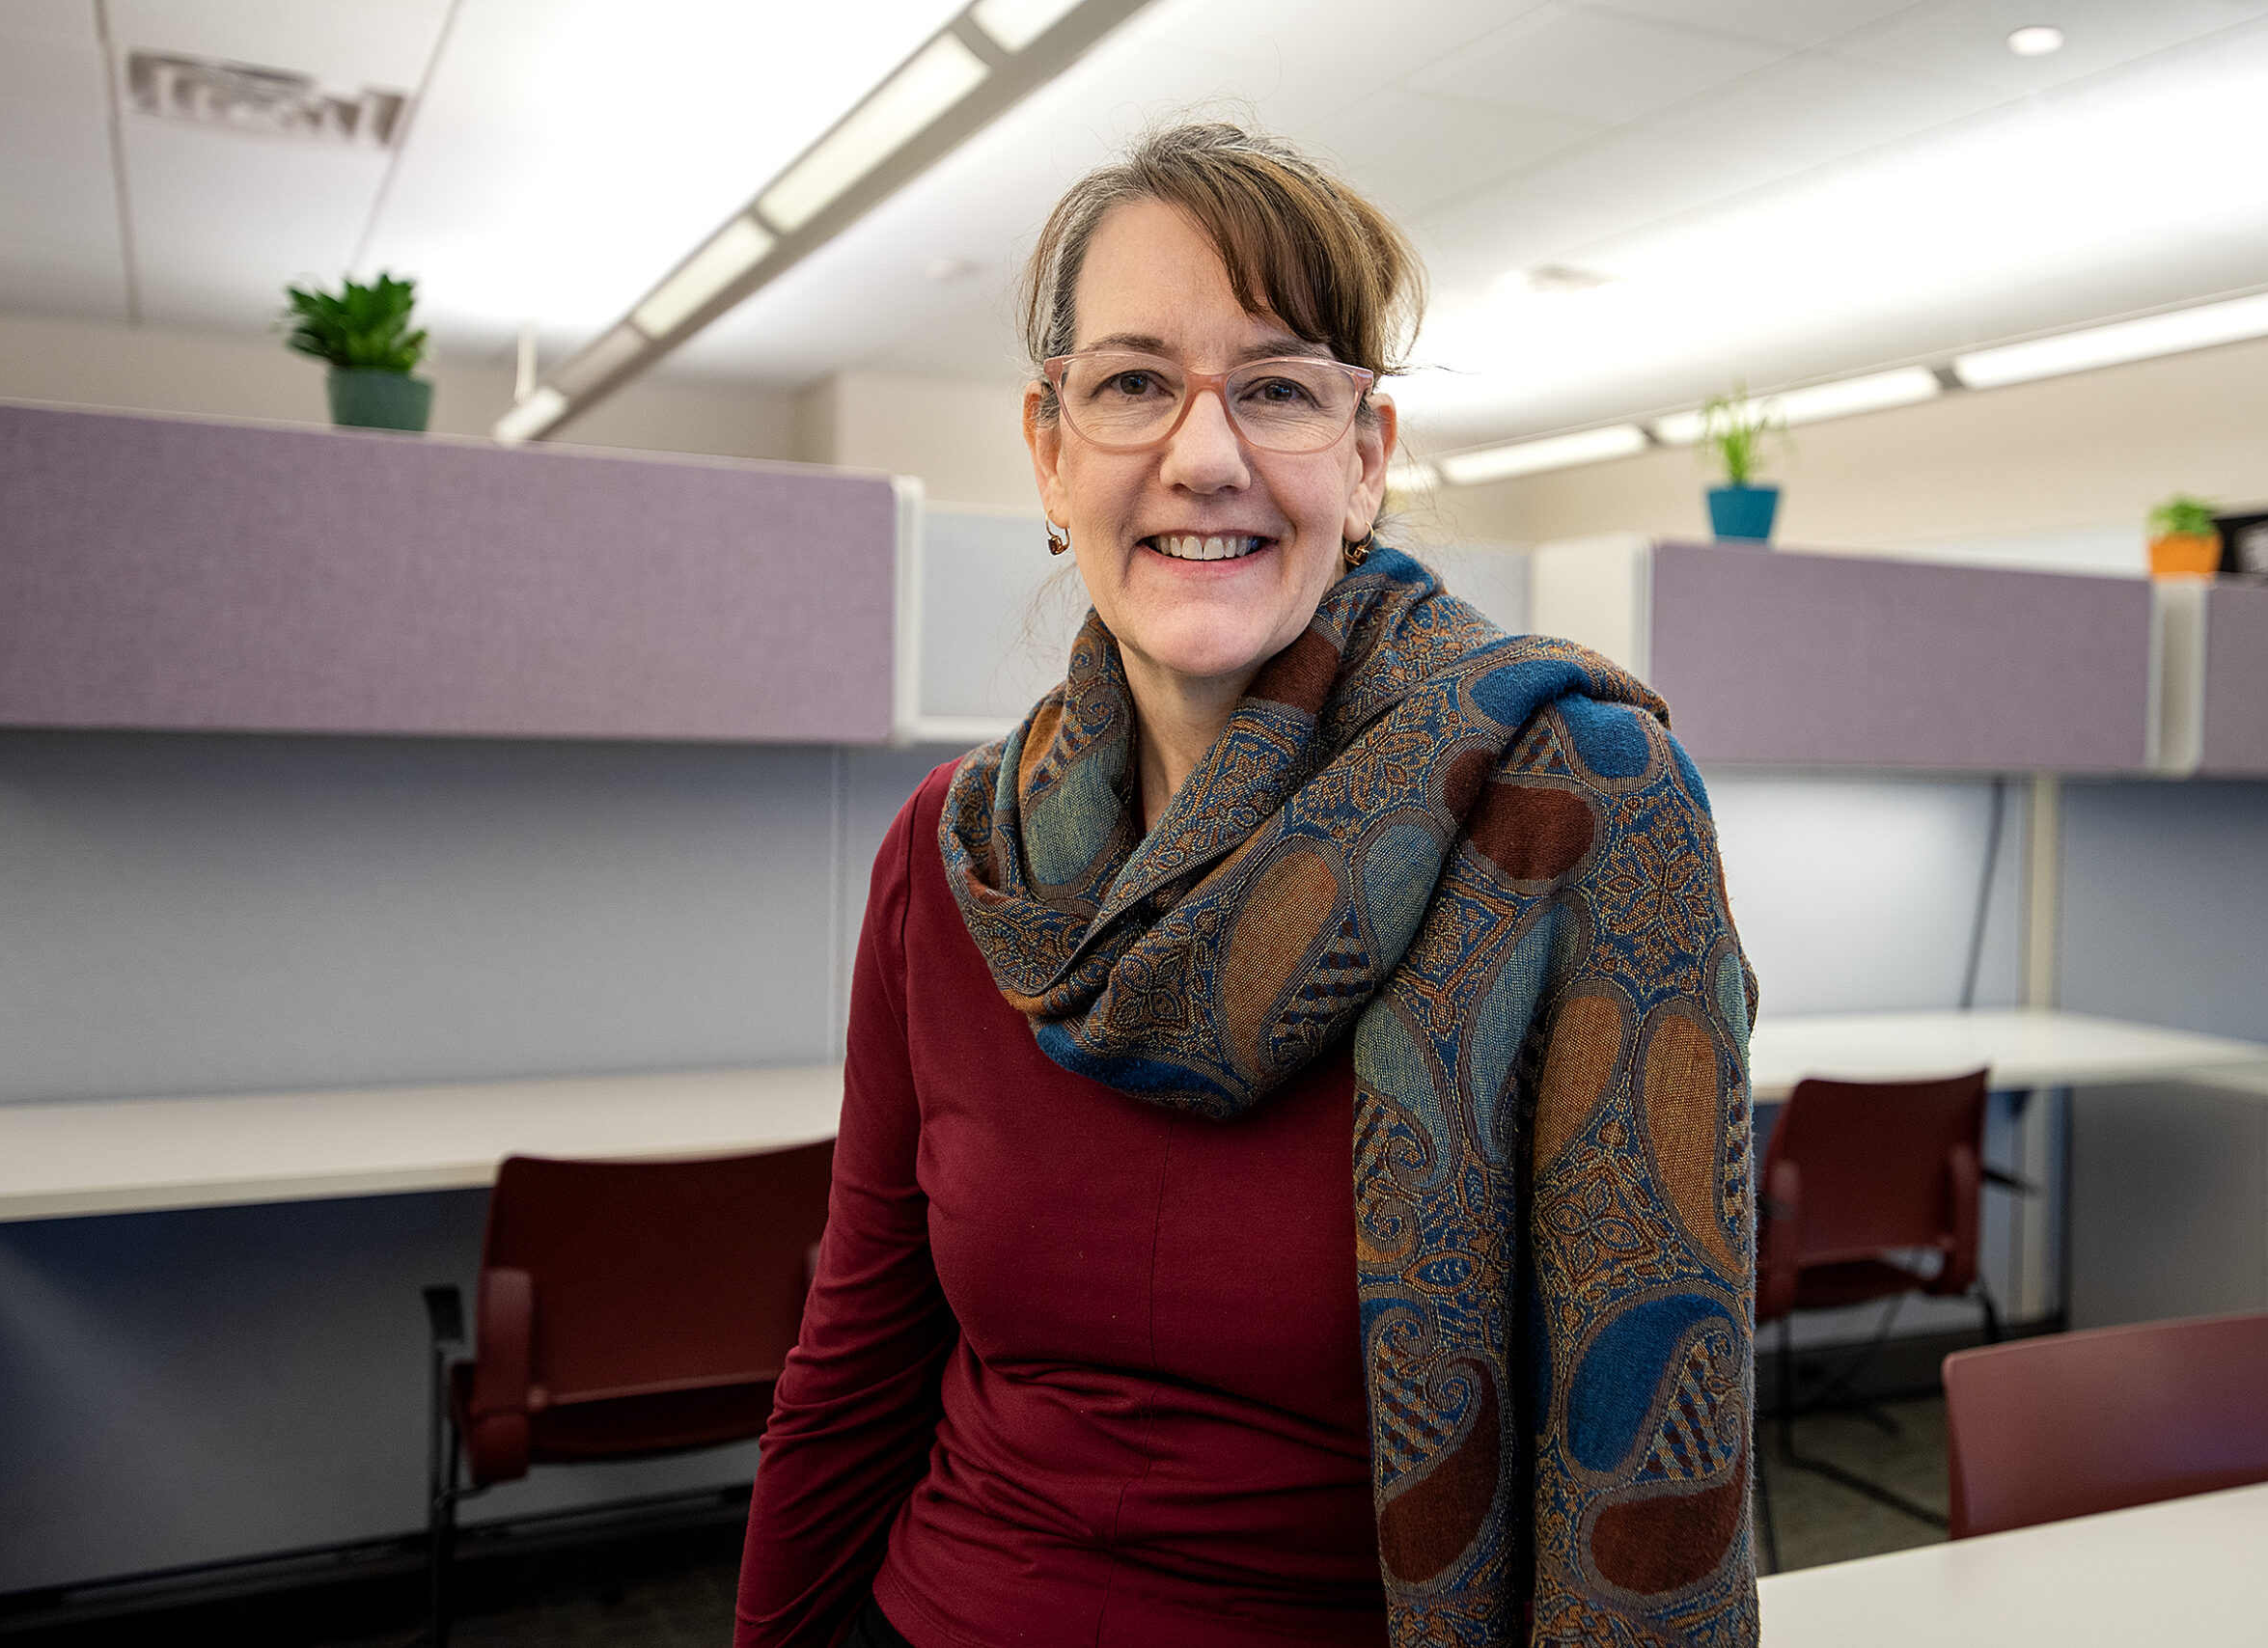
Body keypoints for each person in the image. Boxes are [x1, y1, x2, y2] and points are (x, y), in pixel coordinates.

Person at [735, 123, 1757, 1648]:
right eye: (1136, 383)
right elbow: (856, 1360)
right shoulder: (956, 859)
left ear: (1365, 460)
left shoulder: (1574, 811)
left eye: (1276, 388)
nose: (1202, 455)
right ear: (1051, 451)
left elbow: (1650, 1461)